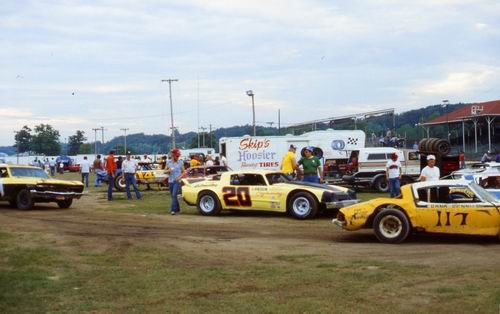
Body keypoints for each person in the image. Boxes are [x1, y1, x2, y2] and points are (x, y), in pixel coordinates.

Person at [165, 148, 185, 215]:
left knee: (174, 195)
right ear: (173, 155)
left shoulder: (180, 162)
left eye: (178, 156)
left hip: (177, 181)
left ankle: (173, 210)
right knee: (173, 196)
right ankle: (177, 209)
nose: (178, 157)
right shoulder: (168, 162)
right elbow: (164, 171)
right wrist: (168, 170)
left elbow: (184, 172)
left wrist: (179, 177)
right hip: (170, 181)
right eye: (177, 156)